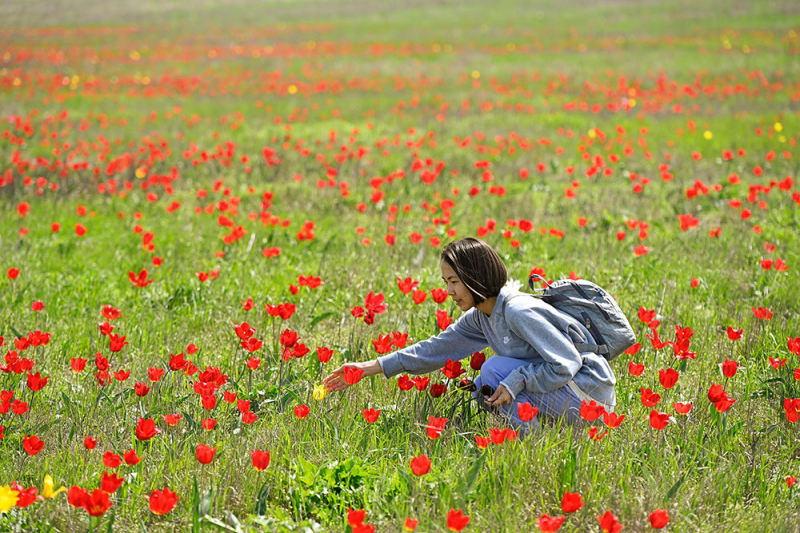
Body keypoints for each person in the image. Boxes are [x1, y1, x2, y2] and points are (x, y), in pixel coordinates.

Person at [324, 237, 617, 433]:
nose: (449, 291)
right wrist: (367, 368)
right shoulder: (481, 317)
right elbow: (435, 349)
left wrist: (517, 380)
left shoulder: (517, 310)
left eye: (454, 281)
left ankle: (534, 442)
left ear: (476, 279)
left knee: (493, 371)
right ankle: (537, 439)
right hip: (567, 394)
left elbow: (566, 363)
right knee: (481, 387)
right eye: (446, 282)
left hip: (589, 394)